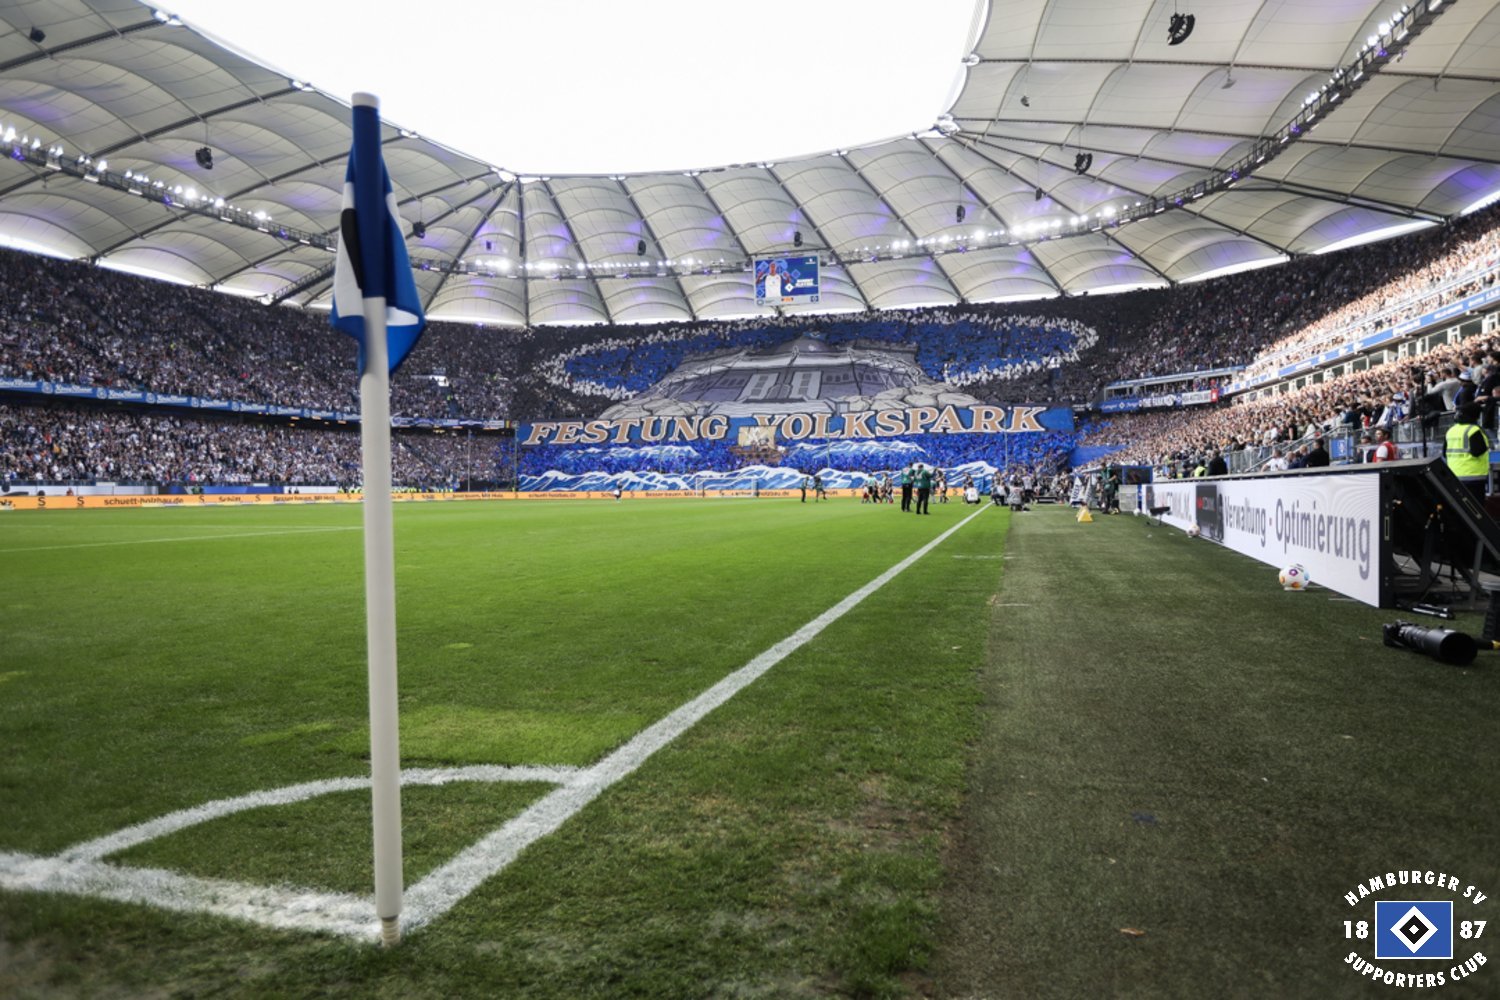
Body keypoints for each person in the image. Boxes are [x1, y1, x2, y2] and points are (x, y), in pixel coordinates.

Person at [1444, 402, 1490, 505]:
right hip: (1474, 476)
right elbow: (1477, 451)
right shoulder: (1474, 430)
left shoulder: (1451, 430)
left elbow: (1444, 452)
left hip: (1455, 476)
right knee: (1477, 510)